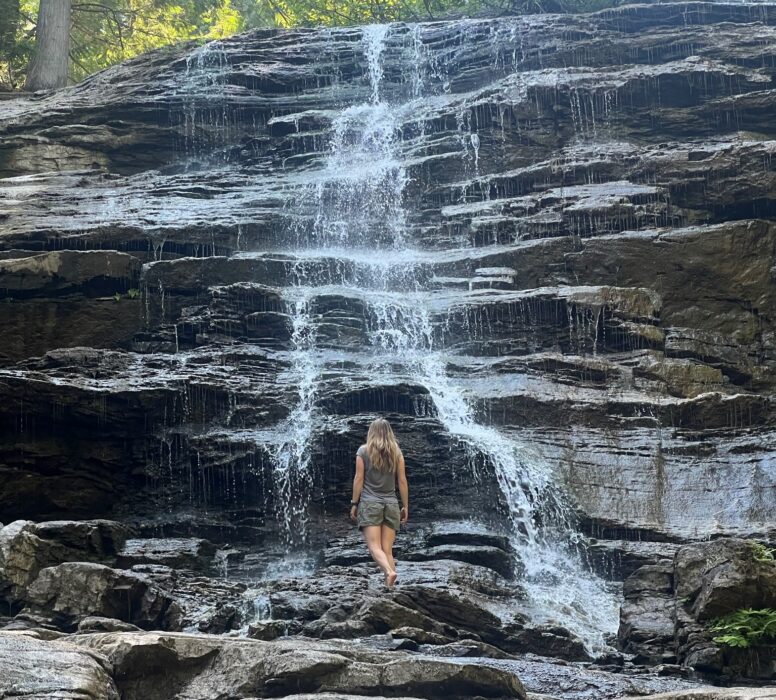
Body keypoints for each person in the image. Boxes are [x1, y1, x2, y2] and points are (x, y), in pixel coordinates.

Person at [350, 417, 409, 588]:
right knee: (387, 550)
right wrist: (405, 506)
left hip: (370, 504)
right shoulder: (396, 453)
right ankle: (390, 588)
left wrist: (354, 503)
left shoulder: (363, 451)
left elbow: (359, 478)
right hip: (391, 504)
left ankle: (390, 573)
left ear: (371, 432)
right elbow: (402, 481)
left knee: (375, 548)